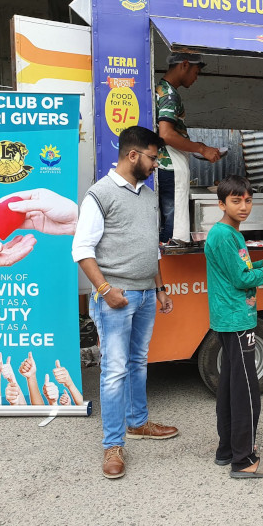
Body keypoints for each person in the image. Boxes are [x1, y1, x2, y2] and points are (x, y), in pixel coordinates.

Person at [72, 125, 178, 479]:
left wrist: (160, 288)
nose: (155, 164)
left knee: (137, 362)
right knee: (114, 370)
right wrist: (104, 290)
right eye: (152, 157)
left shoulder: (147, 196)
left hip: (147, 294)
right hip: (115, 297)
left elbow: (153, 248)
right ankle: (112, 445)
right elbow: (82, 250)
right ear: (133, 155)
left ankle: (137, 423)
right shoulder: (99, 195)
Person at [204, 175, 263, 479]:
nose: (244, 206)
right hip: (237, 320)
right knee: (247, 391)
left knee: (229, 386)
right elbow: (242, 280)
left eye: (248, 200)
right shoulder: (224, 235)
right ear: (221, 203)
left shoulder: (229, 234)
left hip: (231, 318)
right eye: (236, 200)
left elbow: (244, 269)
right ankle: (244, 460)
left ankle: (227, 450)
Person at [156, 52, 223, 244]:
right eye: (196, 72)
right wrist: (202, 149)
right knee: (174, 226)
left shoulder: (160, 89)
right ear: (184, 65)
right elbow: (166, 134)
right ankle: (169, 269)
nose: (196, 78)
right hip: (170, 167)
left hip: (163, 166)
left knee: (165, 222)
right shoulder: (169, 95)